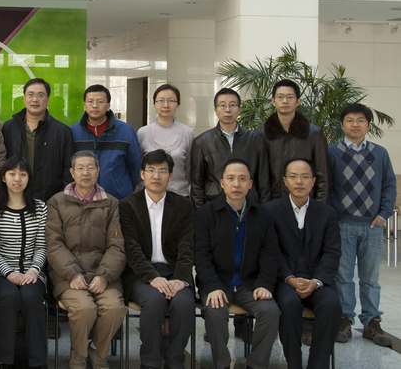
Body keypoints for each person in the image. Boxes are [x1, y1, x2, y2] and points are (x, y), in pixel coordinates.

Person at [195, 158, 280, 369]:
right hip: (218, 283)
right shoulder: (206, 213)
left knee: (270, 312)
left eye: (242, 179)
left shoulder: (262, 215)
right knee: (214, 312)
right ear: (222, 183)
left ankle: (256, 364)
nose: (236, 184)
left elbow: (270, 255)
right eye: (231, 178)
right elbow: (201, 256)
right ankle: (222, 364)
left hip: (250, 284)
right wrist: (212, 286)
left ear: (250, 184)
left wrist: (265, 284)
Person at [46, 150, 127, 369]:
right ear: (72, 172)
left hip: (103, 274)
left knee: (114, 309)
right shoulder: (57, 202)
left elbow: (117, 245)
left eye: (90, 167)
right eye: (80, 168)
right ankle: (79, 357)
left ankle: (98, 353)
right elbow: (54, 244)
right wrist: (72, 274)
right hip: (68, 276)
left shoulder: (111, 203)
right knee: (84, 309)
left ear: (98, 171)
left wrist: (104, 275)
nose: (85, 172)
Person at [119, 149, 195, 369]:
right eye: (151, 170)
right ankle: (150, 362)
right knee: (154, 301)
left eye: (162, 171)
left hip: (174, 273)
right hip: (141, 275)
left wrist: (181, 278)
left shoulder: (183, 205)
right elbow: (131, 248)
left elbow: (187, 246)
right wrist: (152, 277)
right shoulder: (127, 205)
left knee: (184, 303)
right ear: (142, 174)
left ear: (170, 175)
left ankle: (175, 360)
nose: (156, 176)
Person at [328, 103, 396, 346]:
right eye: (350, 120)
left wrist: (384, 214)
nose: (355, 125)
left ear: (368, 125)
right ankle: (344, 320)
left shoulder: (380, 153)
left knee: (370, 278)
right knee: (343, 276)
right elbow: (326, 186)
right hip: (342, 224)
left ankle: (371, 323)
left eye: (360, 120)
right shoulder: (331, 152)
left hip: (372, 225)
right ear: (342, 125)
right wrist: (331, 217)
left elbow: (389, 185)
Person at [264, 158, 341, 369]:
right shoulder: (269, 211)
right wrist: (289, 278)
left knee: (331, 304)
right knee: (289, 304)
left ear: (313, 181)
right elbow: (271, 252)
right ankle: (294, 363)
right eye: (293, 176)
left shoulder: (327, 213)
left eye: (305, 176)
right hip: (285, 280)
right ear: (285, 181)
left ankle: (318, 364)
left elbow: (332, 253)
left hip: (317, 280)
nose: (299, 181)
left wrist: (316, 281)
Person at [0, 157, 48, 369]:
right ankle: (4, 360)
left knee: (32, 297)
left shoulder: (40, 208)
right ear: (4, 178)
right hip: (2, 273)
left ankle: (37, 361)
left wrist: (33, 270)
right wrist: (9, 273)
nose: (17, 179)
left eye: (23, 174)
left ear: (29, 179)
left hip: (33, 272)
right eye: (12, 174)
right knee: (9, 297)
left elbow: (42, 246)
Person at [190, 88, 270, 207]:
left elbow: (264, 179)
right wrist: (201, 212)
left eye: (232, 105)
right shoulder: (202, 142)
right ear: (215, 110)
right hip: (215, 204)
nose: (227, 110)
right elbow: (197, 184)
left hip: (249, 205)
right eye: (222, 105)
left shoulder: (255, 139)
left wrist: (264, 209)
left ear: (239, 109)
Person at [1, 77, 74, 201]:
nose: (35, 99)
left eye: (40, 95)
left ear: (48, 99)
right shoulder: (9, 128)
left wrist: (62, 199)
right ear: (24, 98)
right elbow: (2, 163)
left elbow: (68, 170)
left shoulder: (62, 132)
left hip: (51, 200)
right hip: (15, 199)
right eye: (30, 95)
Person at [70, 84, 142, 200]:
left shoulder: (126, 131)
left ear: (108, 106)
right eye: (90, 101)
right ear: (84, 106)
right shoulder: (73, 132)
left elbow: (136, 167)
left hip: (119, 199)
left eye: (100, 101)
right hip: (83, 200)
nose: (95, 105)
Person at [262, 79, 329, 201]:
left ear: (298, 101)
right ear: (273, 101)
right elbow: (260, 177)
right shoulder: (262, 134)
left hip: (306, 203)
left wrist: (319, 206)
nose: (285, 101)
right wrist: (264, 207)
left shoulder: (313, 134)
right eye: (280, 97)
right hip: (273, 203)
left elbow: (322, 175)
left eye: (290, 97)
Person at [137, 84, 193, 197]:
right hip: (150, 196)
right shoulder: (143, 133)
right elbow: (138, 167)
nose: (166, 105)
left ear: (178, 104)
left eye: (171, 101)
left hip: (180, 195)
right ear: (154, 104)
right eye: (161, 100)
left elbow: (190, 168)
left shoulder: (187, 133)